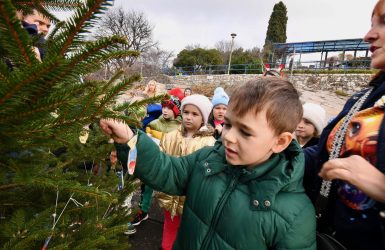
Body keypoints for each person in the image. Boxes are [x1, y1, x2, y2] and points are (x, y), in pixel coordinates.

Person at [100, 77, 316, 249]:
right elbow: (168, 171)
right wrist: (129, 138)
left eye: (246, 132)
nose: (229, 137)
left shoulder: (296, 216)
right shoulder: (208, 159)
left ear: (280, 142)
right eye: (229, 125)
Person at [303, 0, 385, 249]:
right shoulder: (365, 96)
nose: (369, 35)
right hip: (329, 237)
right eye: (370, 24)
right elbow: (326, 152)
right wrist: (280, 155)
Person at [155, 94, 215, 250]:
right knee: (169, 230)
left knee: (190, 235)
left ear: (204, 118)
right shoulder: (169, 137)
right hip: (170, 196)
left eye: (195, 114)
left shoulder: (209, 143)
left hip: (192, 201)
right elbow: (162, 163)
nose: (189, 117)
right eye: (186, 112)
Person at [126, 97, 182, 235]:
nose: (165, 110)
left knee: (171, 193)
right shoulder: (153, 124)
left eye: (169, 108)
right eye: (163, 107)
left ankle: (172, 220)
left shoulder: (181, 128)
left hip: (172, 164)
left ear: (176, 111)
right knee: (147, 185)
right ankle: (143, 210)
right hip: (155, 162)